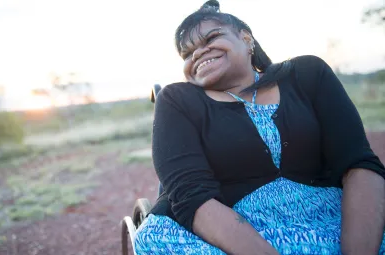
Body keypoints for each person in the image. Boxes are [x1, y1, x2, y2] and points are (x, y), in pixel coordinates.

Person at [134, 1, 385, 254]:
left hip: (332, 219)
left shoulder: (307, 74)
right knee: (154, 240)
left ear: (246, 39)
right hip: (225, 233)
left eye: (212, 37)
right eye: (187, 54)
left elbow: (359, 164)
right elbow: (191, 196)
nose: (198, 53)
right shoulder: (178, 100)